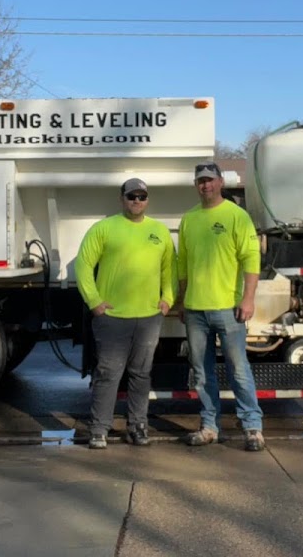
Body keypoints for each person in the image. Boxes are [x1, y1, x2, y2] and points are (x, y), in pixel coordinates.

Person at [75, 178, 175, 449]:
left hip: (148, 318)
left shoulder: (159, 232)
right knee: (108, 373)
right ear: (122, 199)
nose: (137, 201)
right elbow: (83, 266)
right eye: (131, 196)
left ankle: (138, 426)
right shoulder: (104, 229)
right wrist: (94, 301)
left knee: (141, 374)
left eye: (142, 196)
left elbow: (170, 270)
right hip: (112, 318)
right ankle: (99, 429)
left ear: (147, 200)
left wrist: (168, 298)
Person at [175, 162, 265, 451]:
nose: (206, 185)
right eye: (201, 181)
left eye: (210, 180)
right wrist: (181, 301)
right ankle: (209, 427)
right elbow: (183, 265)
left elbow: (251, 260)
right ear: (195, 184)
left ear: (220, 182)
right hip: (195, 311)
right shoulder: (189, 218)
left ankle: (252, 427)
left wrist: (248, 299)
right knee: (202, 373)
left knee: (239, 369)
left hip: (228, 308)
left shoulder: (237, 216)